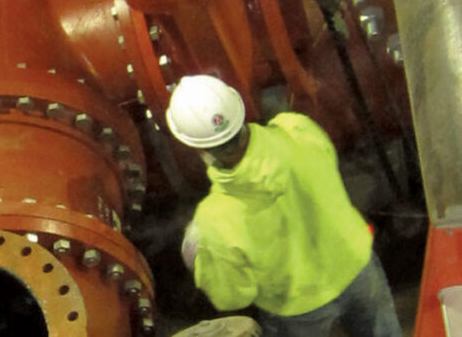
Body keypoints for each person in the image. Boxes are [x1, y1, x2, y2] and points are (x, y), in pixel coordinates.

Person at [165, 74, 402, 337]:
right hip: (356, 265)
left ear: (194, 146)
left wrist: (202, 260)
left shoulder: (215, 220)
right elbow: (328, 165)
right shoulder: (297, 130)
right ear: (239, 110)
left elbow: (232, 296)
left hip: (297, 308)